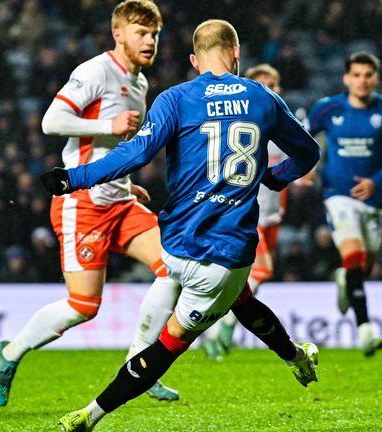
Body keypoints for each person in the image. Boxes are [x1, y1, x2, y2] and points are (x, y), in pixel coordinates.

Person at [41, 19, 321, 431]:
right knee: (171, 343)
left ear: (194, 60)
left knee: (239, 300)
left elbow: (134, 155)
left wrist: (73, 178)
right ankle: (91, 415)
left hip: (171, 245)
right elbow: (308, 153)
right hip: (222, 259)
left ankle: (296, 356)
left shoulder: (175, 98)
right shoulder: (262, 97)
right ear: (237, 55)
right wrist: (275, 178)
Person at [0, 0, 181, 406]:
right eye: (141, 32)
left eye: (154, 34)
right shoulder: (95, 71)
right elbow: (51, 121)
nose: (149, 41)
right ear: (118, 33)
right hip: (83, 203)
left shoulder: (140, 82)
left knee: (175, 270)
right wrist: (104, 124)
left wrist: (127, 185)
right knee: (83, 306)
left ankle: (140, 367)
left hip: (120, 201)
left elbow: (114, 150)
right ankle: (9, 354)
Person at [200, 64, 314, 360]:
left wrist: (301, 174)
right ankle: (219, 324)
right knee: (262, 270)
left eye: (273, 83)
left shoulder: (287, 119)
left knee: (248, 278)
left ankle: (214, 328)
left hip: (274, 211)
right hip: (247, 209)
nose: (269, 89)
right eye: (261, 83)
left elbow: (299, 158)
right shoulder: (243, 121)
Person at [308, 51, 382, 356]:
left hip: (373, 200)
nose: (362, 81)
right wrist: (307, 165)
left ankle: (344, 277)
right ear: (346, 78)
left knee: (361, 268)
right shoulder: (328, 109)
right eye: (356, 75)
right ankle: (365, 329)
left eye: (368, 75)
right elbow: (302, 137)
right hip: (338, 194)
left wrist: (375, 182)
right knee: (353, 256)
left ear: (376, 78)